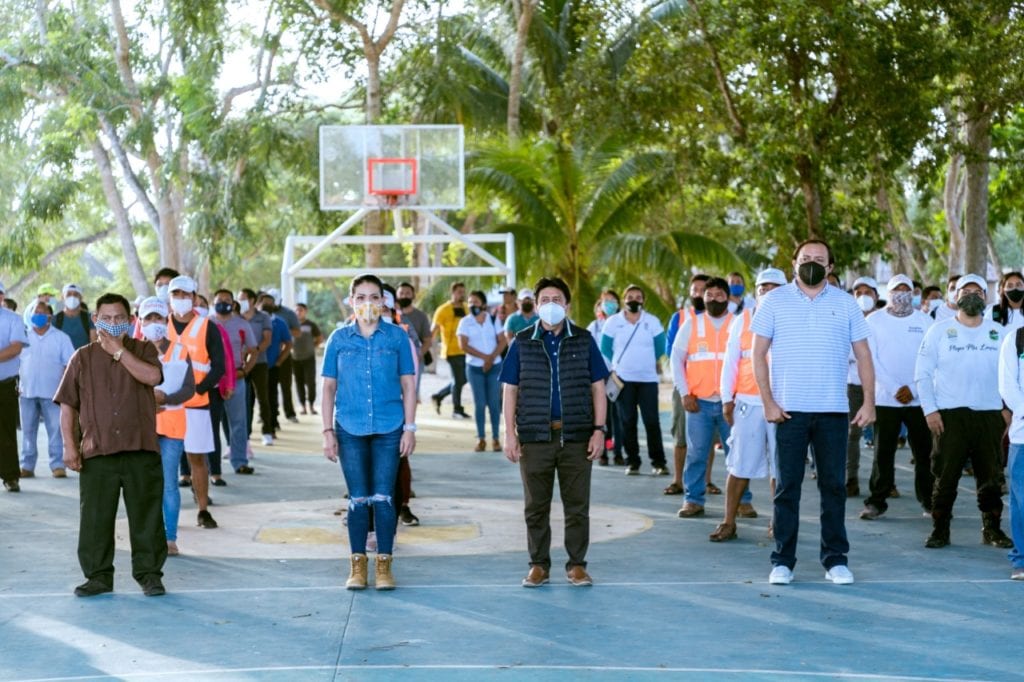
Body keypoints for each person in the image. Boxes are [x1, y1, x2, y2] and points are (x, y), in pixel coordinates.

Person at [752, 239, 875, 585]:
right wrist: (768, 401)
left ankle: (835, 560)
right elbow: (757, 354)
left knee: (833, 487)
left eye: (819, 259)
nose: (812, 263)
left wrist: (868, 401)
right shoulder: (773, 301)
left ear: (830, 267)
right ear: (794, 263)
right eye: (805, 258)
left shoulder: (846, 303)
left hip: (832, 410)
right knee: (787, 488)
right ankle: (782, 561)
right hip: (788, 412)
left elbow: (864, 355)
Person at [54, 292, 167, 597]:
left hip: (140, 449)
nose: (113, 323)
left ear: (130, 321)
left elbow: (152, 377)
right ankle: (98, 576)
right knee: (95, 519)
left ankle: (149, 575)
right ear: (96, 319)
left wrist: (119, 351)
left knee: (146, 518)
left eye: (119, 318)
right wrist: (69, 446)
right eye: (106, 318)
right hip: (98, 451)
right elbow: (68, 405)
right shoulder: (82, 357)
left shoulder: (143, 349)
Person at [500, 276, 608, 588]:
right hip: (535, 437)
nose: (551, 305)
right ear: (535, 306)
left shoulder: (584, 340)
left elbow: (598, 388)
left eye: (557, 300)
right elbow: (510, 390)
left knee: (577, 507)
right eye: (545, 300)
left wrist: (598, 430)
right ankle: (538, 565)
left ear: (567, 305)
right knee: (536, 506)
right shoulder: (522, 341)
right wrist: (509, 433)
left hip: (576, 436)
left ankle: (577, 565)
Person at [321, 273, 416, 591]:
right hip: (349, 428)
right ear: (351, 301)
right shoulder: (338, 339)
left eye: (374, 297)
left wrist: (410, 428)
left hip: (390, 427)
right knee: (359, 499)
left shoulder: (397, 337)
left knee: (384, 498)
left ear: (383, 301)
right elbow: (328, 388)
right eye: (360, 297)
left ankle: (385, 566)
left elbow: (408, 384)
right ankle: (358, 566)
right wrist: (327, 431)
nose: (367, 303)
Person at [915, 274, 1013, 549]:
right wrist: (930, 410)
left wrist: (1008, 410)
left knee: (991, 478)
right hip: (949, 416)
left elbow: (1013, 375)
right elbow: (922, 373)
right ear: (955, 297)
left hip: (990, 415)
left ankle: (992, 529)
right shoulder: (938, 331)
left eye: (978, 292)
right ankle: (940, 529)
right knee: (945, 477)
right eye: (965, 291)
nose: (971, 295)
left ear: (986, 297)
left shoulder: (999, 333)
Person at [711, 268, 787, 541]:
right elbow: (730, 361)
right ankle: (728, 522)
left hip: (783, 404)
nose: (768, 292)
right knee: (739, 464)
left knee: (781, 466)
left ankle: (779, 522)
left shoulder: (794, 319)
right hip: (748, 402)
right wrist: (726, 399)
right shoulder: (742, 319)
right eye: (763, 288)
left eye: (774, 287)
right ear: (755, 292)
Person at [858, 275, 934, 521]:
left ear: (913, 293)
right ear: (888, 293)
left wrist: (913, 388)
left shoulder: (925, 321)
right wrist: (894, 388)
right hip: (885, 398)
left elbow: (931, 359)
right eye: (896, 289)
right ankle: (876, 501)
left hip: (918, 398)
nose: (901, 293)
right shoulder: (874, 320)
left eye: (906, 289)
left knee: (924, 452)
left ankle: (930, 501)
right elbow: (870, 358)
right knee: (883, 452)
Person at [672, 277, 748, 518]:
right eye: (709, 295)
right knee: (696, 454)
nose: (714, 299)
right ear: (703, 298)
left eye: (719, 295)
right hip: (699, 403)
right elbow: (676, 359)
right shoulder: (691, 325)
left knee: (737, 455)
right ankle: (693, 500)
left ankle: (743, 502)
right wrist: (684, 392)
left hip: (731, 403)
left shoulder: (738, 323)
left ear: (728, 297)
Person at [140, 297, 196, 557]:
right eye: (149, 318)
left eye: (159, 318)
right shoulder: (132, 352)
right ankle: (147, 534)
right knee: (143, 484)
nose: (154, 323)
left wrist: (166, 398)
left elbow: (189, 388)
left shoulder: (181, 351)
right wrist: (148, 402)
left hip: (172, 426)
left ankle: (169, 537)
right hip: (142, 426)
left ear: (166, 321)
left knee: (168, 484)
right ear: (141, 322)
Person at [167, 276, 225, 529]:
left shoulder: (207, 326)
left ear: (194, 297)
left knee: (197, 459)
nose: (180, 298)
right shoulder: (159, 324)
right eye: (176, 294)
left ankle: (203, 509)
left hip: (196, 403)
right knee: (164, 462)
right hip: (163, 406)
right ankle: (165, 513)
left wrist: (198, 388)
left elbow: (219, 366)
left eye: (185, 294)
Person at [600, 284, 669, 476]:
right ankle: (633, 462)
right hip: (623, 379)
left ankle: (659, 462)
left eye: (638, 297)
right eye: (630, 297)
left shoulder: (652, 321)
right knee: (627, 421)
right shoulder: (613, 322)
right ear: (624, 300)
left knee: (651, 421)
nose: (634, 300)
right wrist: (621, 365)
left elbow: (660, 347)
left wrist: (644, 362)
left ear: (643, 300)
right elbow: (605, 348)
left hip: (648, 379)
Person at [18, 299, 74, 478]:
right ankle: (27, 466)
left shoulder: (61, 338)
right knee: (28, 431)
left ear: (50, 316)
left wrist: (64, 388)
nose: (38, 315)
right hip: (26, 392)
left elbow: (69, 364)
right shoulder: (23, 336)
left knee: (56, 430)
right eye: (35, 312)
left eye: (42, 312)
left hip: (53, 392)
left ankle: (58, 465)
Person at [664, 274, 708, 495]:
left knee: (708, 438)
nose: (698, 293)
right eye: (694, 289)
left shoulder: (722, 319)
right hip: (684, 386)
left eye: (702, 289)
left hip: (710, 388)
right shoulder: (679, 317)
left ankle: (707, 481)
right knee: (681, 435)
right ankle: (678, 480)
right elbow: (670, 351)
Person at [211, 289, 256, 474]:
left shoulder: (242, 324)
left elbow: (253, 350)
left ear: (233, 303)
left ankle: (239, 461)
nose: (223, 302)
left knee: (238, 422)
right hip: (212, 380)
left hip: (235, 379)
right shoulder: (207, 323)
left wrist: (245, 371)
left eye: (227, 299)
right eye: (219, 300)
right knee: (211, 424)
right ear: (213, 302)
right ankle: (210, 466)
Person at [457, 290, 507, 452]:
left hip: (495, 366)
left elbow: (502, 341)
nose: (473, 305)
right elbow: (463, 345)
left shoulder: (493, 319)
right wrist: (485, 358)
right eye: (470, 302)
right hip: (474, 368)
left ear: (483, 304)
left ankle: (496, 438)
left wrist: (491, 358)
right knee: (479, 403)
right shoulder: (465, 322)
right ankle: (481, 438)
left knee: (494, 403)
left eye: (476, 302)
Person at [845, 276, 879, 497]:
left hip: (882, 387)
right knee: (852, 435)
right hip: (854, 386)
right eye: (858, 293)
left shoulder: (883, 321)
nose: (863, 297)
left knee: (882, 438)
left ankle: (884, 482)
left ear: (876, 296)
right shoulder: (845, 319)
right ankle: (851, 479)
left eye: (868, 293)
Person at [997, 312, 1024, 580]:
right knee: (1022, 501)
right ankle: (1022, 558)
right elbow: (1007, 386)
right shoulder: (1016, 339)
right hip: (1022, 436)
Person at [587, 289, 624, 466]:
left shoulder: (623, 324)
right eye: (606, 300)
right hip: (600, 376)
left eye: (612, 300)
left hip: (618, 376)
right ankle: (603, 452)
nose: (609, 303)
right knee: (602, 415)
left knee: (619, 415)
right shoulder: (594, 327)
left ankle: (618, 452)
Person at [0, 281, 27, 492]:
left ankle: (10, 476)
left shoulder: (13, 319)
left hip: (5, 385)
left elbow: (16, 348)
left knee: (6, 432)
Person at [238, 288, 273, 446]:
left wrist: (254, 351)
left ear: (252, 300)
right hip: (241, 364)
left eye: (243, 298)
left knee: (263, 398)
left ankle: (267, 431)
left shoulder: (263, 317)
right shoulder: (237, 317)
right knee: (245, 400)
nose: (240, 301)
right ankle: (246, 433)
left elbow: (267, 339)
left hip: (259, 363)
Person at [430, 282, 470, 419]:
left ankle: (438, 396)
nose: (462, 295)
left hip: (466, 350)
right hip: (451, 351)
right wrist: (427, 347)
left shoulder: (467, 308)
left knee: (463, 379)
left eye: (463, 292)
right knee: (458, 380)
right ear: (452, 293)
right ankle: (457, 410)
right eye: (459, 292)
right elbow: (433, 330)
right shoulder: (443, 309)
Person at [259, 292, 294, 440]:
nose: (267, 304)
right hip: (253, 366)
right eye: (264, 302)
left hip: (272, 366)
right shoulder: (252, 321)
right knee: (254, 399)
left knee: (271, 397)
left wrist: (279, 361)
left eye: (270, 302)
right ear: (258, 304)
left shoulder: (280, 322)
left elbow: (288, 343)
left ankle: (271, 426)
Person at [266, 288, 302, 424]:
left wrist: (283, 330)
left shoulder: (288, 314)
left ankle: (290, 413)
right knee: (268, 388)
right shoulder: (262, 314)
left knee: (286, 386)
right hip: (266, 355)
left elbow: (297, 332)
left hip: (284, 355)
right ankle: (268, 415)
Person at [395, 282, 432, 396]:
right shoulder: (392, 315)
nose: (404, 296)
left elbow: (427, 340)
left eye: (407, 293)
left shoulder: (421, 316)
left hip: (415, 360)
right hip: (395, 360)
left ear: (413, 295)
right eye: (401, 293)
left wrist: (418, 355)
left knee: (412, 393)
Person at [292, 303, 324, 414]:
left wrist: (312, 346)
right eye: (296, 310)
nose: (298, 312)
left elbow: (319, 338)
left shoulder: (311, 325)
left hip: (309, 358)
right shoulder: (291, 325)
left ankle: (311, 405)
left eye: (300, 310)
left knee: (311, 383)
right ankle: (303, 407)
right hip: (295, 359)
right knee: (299, 382)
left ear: (305, 311)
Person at [53, 284, 97, 350]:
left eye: (76, 294)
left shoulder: (89, 318)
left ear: (81, 298)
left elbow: (94, 345)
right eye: (68, 294)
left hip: (83, 356)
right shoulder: (55, 319)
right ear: (62, 298)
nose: (72, 297)